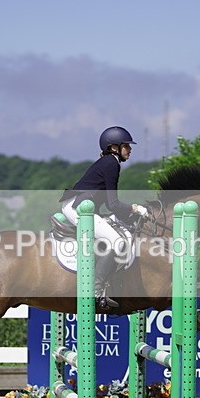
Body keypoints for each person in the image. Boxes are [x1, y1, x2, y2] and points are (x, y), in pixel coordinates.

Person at [59, 126, 150, 309]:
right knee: (117, 241)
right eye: (126, 146)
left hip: (81, 205)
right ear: (114, 147)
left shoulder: (109, 162)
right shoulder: (111, 163)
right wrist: (135, 209)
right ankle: (96, 291)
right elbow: (113, 204)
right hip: (78, 208)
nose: (130, 150)